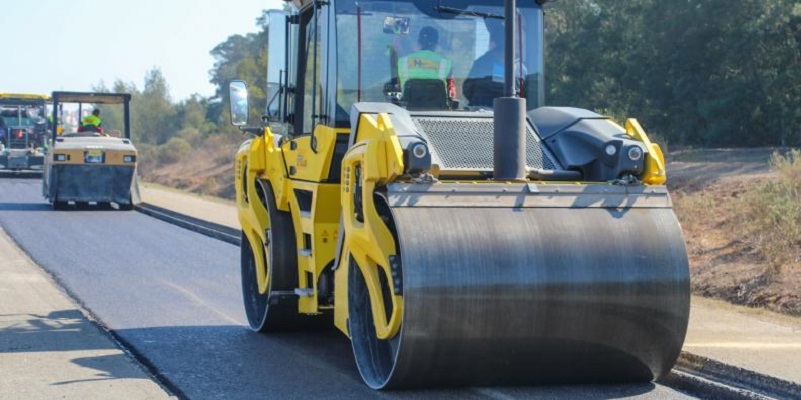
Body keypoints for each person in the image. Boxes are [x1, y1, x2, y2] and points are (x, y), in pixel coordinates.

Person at [464, 21, 524, 108]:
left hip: (478, 113)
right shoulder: (520, 67)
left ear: (492, 42)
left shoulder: (481, 63)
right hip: (509, 115)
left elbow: (467, 89)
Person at [397, 26, 456, 105]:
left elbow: (396, 88)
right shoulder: (445, 63)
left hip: (406, 111)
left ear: (419, 42)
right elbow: (452, 93)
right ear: (436, 44)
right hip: (438, 112)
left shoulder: (402, 61)